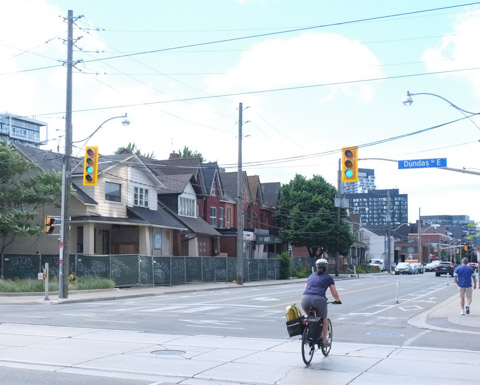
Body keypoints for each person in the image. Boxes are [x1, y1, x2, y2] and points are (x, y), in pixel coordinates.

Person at [301, 258, 341, 346]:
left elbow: (305, 289)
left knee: (308, 316)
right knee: (324, 319)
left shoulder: (311, 276)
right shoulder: (328, 277)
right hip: (319, 300)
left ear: (316, 267)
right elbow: (334, 292)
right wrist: (337, 300)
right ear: (326, 268)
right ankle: (324, 341)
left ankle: (306, 335)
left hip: (305, 299)